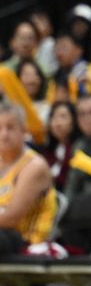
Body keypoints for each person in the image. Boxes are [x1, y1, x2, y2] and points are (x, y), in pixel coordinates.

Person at [0, 104, 56, 255]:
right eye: (0, 128)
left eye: (10, 127)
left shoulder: (34, 166)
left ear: (23, 131)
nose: (4, 134)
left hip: (27, 242)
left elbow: (12, 218)